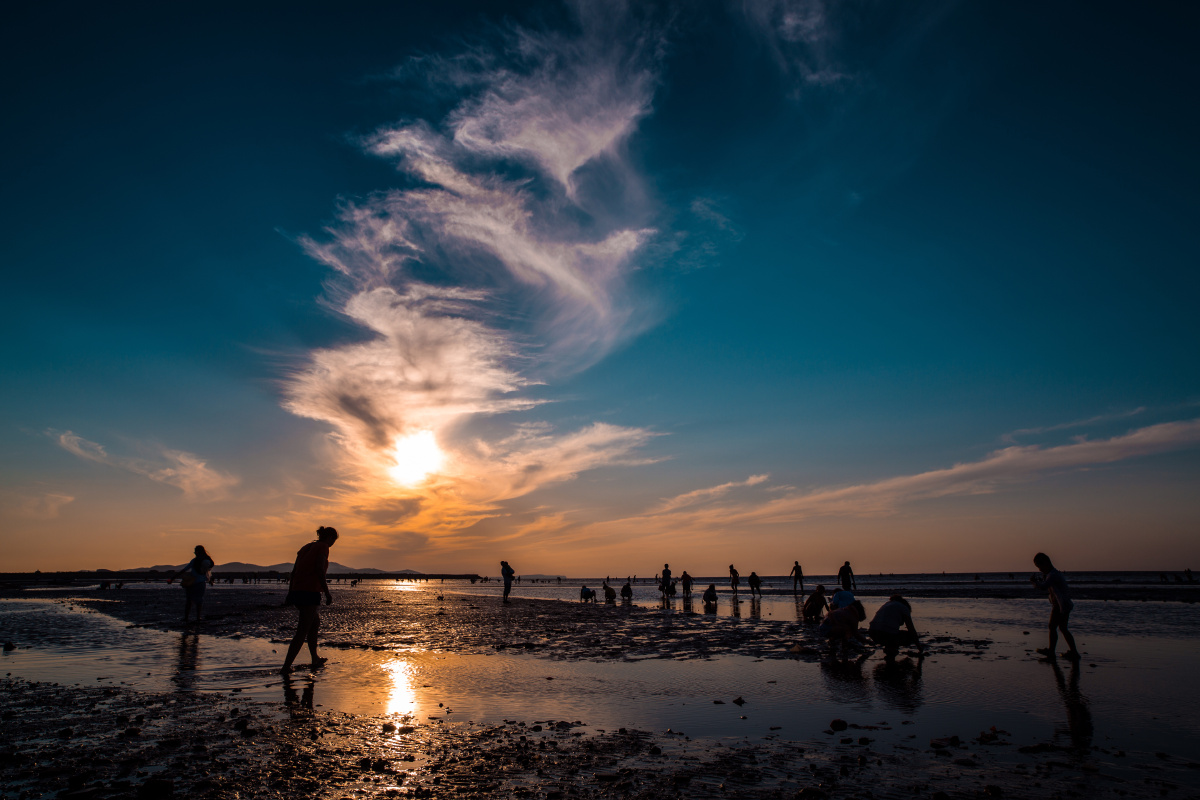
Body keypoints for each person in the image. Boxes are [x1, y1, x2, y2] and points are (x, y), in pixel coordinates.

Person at [280, 526, 338, 674]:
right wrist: (327, 592)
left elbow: (294, 571)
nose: (333, 544)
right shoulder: (323, 547)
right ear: (330, 538)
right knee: (302, 631)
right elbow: (319, 569)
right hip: (309, 591)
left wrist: (290, 592)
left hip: (297, 590)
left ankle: (315, 658)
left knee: (314, 623)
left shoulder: (306, 547)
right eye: (333, 541)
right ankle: (286, 667)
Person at [1031, 552, 1079, 660]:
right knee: (1062, 628)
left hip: (1060, 605)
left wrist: (1034, 582)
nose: (1040, 570)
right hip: (1063, 604)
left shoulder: (1053, 575)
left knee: (1053, 627)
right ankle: (1072, 652)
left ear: (1046, 564)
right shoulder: (1053, 574)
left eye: (1040, 567)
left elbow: (1044, 586)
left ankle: (1052, 651)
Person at [868, 595, 923, 661]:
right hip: (886, 634)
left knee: (890, 632)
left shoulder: (887, 604)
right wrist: (919, 647)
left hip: (872, 633)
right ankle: (891, 650)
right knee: (909, 636)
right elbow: (911, 629)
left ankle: (888, 647)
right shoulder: (904, 608)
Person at [177, 545, 215, 624]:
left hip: (192, 583)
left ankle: (187, 617)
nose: (194, 553)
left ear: (198, 551)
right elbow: (207, 572)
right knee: (199, 600)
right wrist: (210, 580)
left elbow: (185, 569)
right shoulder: (206, 561)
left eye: (195, 551)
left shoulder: (195, 561)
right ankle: (198, 617)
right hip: (201, 583)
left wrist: (173, 578)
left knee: (189, 600)